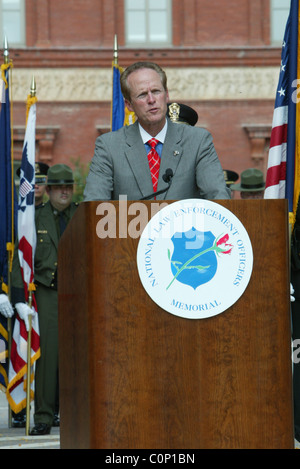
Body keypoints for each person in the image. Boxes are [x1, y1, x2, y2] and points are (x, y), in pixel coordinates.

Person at [83, 61, 230, 201]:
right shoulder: (109, 146)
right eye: (142, 95)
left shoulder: (197, 141)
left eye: (156, 91)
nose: (151, 100)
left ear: (166, 95)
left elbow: (218, 197)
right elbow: (95, 205)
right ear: (129, 105)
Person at [6, 164, 78, 436]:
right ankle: (44, 416)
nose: (64, 192)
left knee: (77, 354)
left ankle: (73, 411)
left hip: (78, 294)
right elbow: (22, 262)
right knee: (47, 357)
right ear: (48, 191)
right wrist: (18, 297)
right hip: (47, 292)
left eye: (68, 187)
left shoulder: (82, 215)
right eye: (59, 187)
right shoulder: (35, 218)